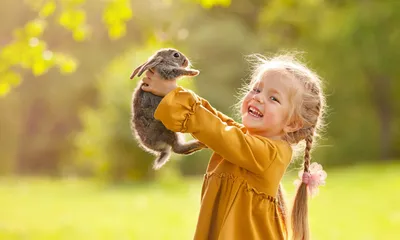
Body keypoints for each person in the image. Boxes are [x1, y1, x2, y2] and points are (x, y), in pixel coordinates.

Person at [140, 53, 327, 240]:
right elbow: (218, 122)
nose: (259, 98)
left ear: (293, 124)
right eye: (256, 89)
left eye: (274, 99)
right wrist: (173, 92)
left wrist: (174, 95)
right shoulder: (246, 141)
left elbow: (218, 132)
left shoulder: (271, 154)